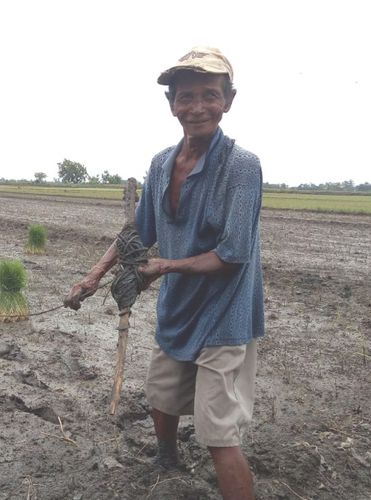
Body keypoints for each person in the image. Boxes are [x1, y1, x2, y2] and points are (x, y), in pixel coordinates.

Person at [64, 47, 264, 500]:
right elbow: (137, 231)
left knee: (218, 434)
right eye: (186, 97)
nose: (197, 107)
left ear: (228, 100)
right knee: (162, 396)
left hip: (225, 316)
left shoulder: (241, 167)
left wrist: (161, 268)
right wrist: (93, 277)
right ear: (171, 103)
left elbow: (232, 255)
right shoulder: (159, 164)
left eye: (209, 95)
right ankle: (167, 458)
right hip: (178, 308)